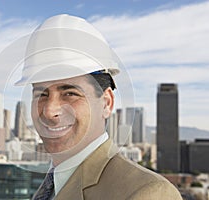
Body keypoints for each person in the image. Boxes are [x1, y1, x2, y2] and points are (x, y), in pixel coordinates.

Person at [15, 14, 182, 200]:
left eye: (70, 93)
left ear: (107, 103)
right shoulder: (52, 183)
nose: (49, 111)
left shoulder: (148, 193)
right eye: (41, 94)